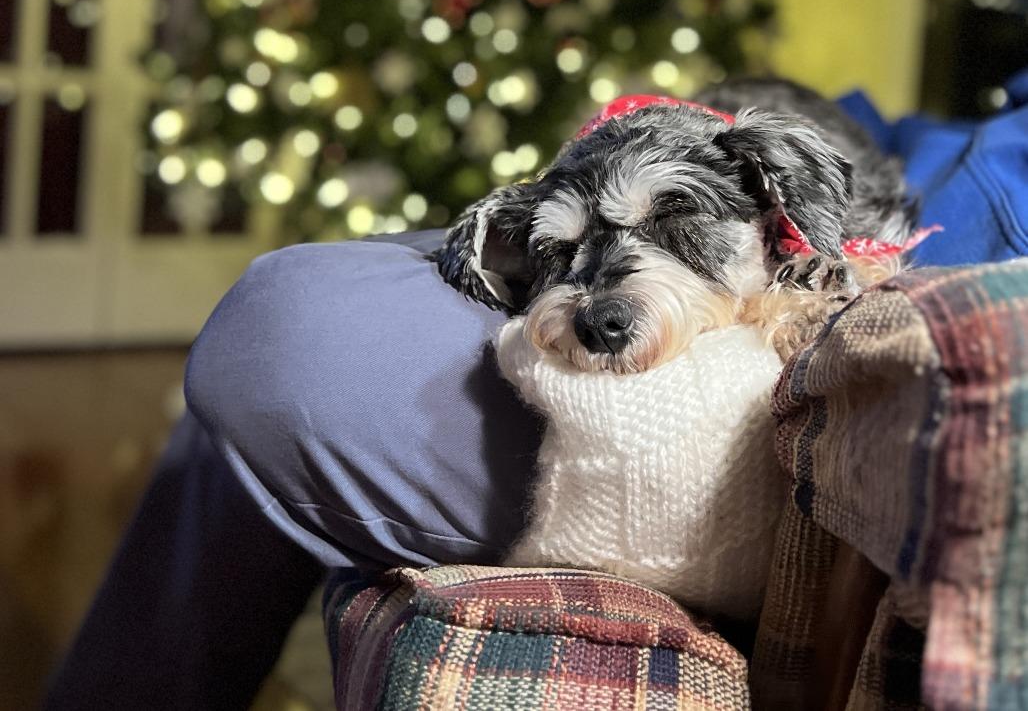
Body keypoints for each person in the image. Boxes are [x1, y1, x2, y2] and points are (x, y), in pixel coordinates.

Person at [44, 75, 1028, 710]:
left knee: (271, 335)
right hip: (860, 136)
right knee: (255, 366)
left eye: (676, 223)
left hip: (879, 246)